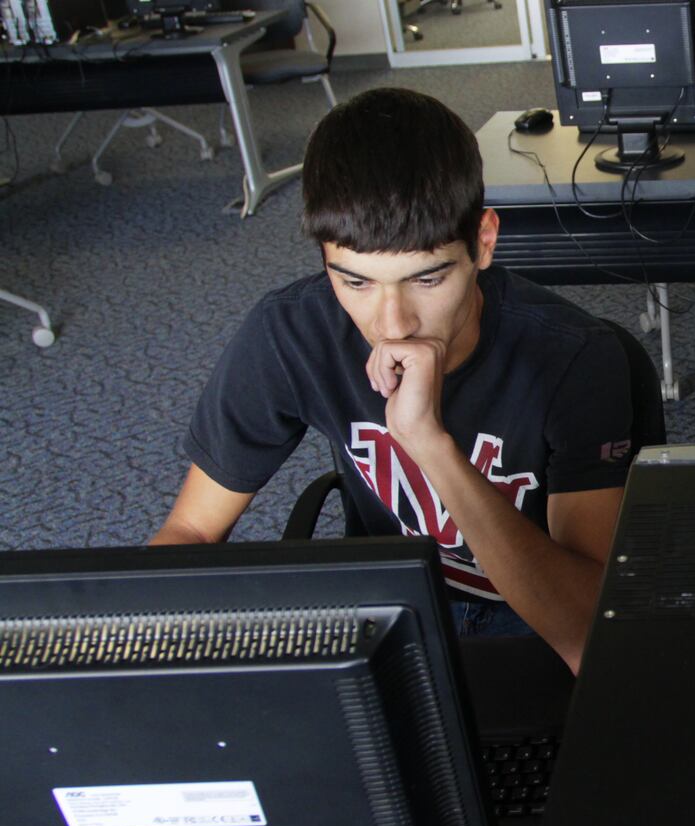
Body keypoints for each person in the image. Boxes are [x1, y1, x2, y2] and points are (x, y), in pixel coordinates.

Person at [151, 88, 637, 672]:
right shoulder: (292, 331)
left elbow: (585, 634)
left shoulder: (576, 357)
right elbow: (192, 530)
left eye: (427, 280)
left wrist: (428, 443)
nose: (393, 324)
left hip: (537, 619)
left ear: (483, 242)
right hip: (391, 612)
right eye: (355, 282)